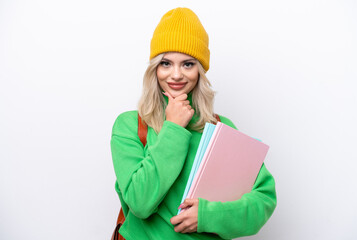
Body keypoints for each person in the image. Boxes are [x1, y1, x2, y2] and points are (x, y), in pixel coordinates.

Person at [110, 7, 276, 239]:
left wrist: (208, 216)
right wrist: (174, 128)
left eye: (188, 64)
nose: (176, 75)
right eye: (166, 63)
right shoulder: (130, 125)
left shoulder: (221, 127)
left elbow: (263, 199)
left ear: (200, 70)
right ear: (154, 68)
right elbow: (140, 203)